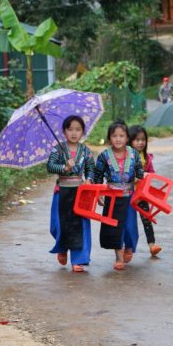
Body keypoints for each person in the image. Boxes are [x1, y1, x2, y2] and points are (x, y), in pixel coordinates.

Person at [91, 120, 145, 271]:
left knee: (129, 226)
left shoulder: (133, 154)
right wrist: (99, 193)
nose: (118, 139)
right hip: (112, 197)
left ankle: (129, 246)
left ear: (127, 138)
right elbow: (97, 175)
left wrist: (140, 181)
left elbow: (140, 170)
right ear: (109, 138)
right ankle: (119, 257)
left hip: (129, 196)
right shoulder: (104, 156)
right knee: (115, 227)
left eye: (122, 135)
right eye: (114, 136)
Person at [47, 115, 96, 273]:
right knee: (59, 224)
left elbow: (91, 169)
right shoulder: (58, 149)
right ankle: (62, 247)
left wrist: (89, 179)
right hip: (62, 192)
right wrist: (65, 168)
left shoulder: (85, 151)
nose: (74, 133)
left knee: (80, 225)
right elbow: (50, 166)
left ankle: (78, 259)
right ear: (64, 131)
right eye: (70, 129)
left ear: (83, 132)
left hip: (81, 192)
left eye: (78, 129)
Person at [128, 125, 162, 257]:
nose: (141, 142)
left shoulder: (147, 157)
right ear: (130, 141)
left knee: (146, 218)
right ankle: (127, 246)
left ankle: (152, 245)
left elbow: (152, 173)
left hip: (141, 194)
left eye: (143, 139)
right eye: (137, 140)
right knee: (128, 222)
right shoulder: (127, 156)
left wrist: (147, 175)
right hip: (128, 194)